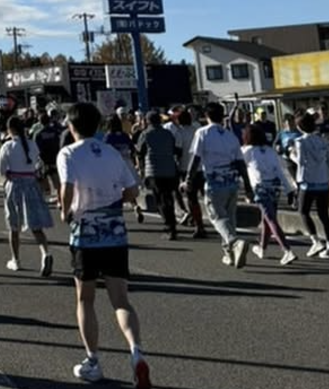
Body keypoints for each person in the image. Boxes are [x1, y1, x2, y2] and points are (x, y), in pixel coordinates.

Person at [58, 102, 150, 389]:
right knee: (120, 300)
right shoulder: (111, 152)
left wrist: (65, 211)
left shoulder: (68, 153)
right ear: (97, 125)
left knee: (85, 299)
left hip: (85, 231)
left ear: (72, 127)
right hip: (115, 231)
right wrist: (114, 200)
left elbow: (67, 187)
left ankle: (93, 361)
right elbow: (133, 190)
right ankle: (136, 353)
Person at [189, 102, 250, 268]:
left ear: (207, 116)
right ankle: (229, 254)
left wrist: (188, 179)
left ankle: (234, 242)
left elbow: (196, 159)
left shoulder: (202, 132)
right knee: (230, 219)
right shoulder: (230, 136)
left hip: (215, 181)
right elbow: (240, 163)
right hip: (232, 181)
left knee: (216, 217)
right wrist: (248, 187)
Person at [0, 116, 54, 275]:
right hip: (31, 184)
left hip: (15, 185)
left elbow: (1, 170)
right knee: (36, 224)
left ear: (9, 130)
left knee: (13, 226)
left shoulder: (7, 146)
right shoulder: (31, 144)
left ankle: (15, 259)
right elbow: (37, 164)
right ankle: (45, 253)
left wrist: (8, 173)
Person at [241, 123, 297, 266]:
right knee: (266, 218)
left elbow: (238, 166)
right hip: (274, 186)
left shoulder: (246, 151)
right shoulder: (270, 151)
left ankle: (287, 250)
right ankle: (262, 248)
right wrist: (289, 189)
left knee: (270, 218)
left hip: (260, 187)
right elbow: (280, 170)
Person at [290, 112, 329, 259]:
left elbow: (301, 161)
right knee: (324, 215)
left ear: (299, 127)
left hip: (307, 182)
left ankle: (315, 240)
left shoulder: (300, 142)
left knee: (303, 211)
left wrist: (291, 155)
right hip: (323, 181)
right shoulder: (322, 141)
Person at [137, 111, 181, 240]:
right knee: (168, 198)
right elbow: (174, 148)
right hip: (170, 169)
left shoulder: (145, 134)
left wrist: (141, 169)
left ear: (148, 121)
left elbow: (140, 151)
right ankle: (171, 224)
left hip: (154, 171)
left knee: (160, 200)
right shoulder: (168, 133)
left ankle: (169, 226)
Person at [104, 116, 145, 224]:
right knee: (129, 188)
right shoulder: (125, 136)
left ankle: (118, 213)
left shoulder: (109, 137)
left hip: (113, 166)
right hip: (127, 163)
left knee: (115, 191)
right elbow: (133, 149)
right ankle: (135, 206)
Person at [33, 110, 64, 203]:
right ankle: (60, 200)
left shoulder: (38, 134)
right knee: (57, 183)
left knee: (41, 179)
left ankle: (44, 197)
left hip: (44, 161)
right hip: (55, 158)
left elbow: (36, 149)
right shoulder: (56, 131)